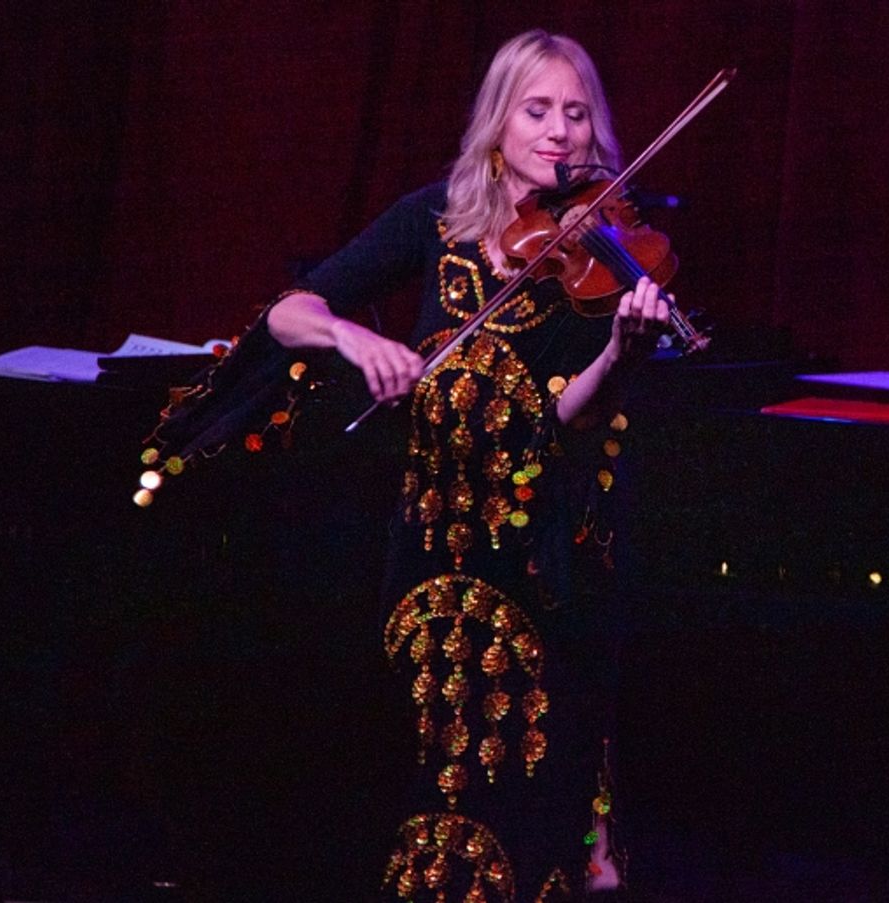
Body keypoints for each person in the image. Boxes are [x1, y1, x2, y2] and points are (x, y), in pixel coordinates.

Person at [265, 29, 669, 902]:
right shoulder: (436, 218)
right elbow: (290, 312)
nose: (558, 132)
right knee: (421, 788)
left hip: (539, 558)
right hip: (431, 552)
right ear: (497, 121)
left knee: (529, 799)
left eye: (575, 113)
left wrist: (620, 354)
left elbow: (561, 416)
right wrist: (353, 333)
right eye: (536, 110)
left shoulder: (601, 251)